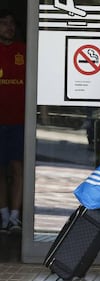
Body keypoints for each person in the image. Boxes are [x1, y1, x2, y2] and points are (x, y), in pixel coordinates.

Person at [0, 9, 25, 234]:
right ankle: (4, 215)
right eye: (4, 23)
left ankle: (15, 218)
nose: (9, 27)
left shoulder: (24, 51)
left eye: (12, 23)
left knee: (17, 168)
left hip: (19, 121)